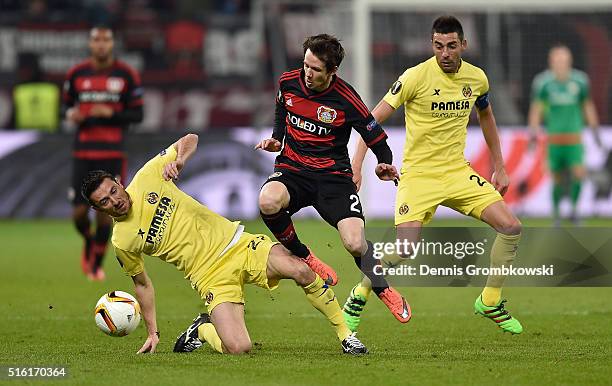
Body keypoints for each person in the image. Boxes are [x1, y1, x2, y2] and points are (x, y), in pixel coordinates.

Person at [81, 133, 368, 355]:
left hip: (238, 245)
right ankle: (203, 330)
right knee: (239, 349)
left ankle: (346, 336)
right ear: (98, 210)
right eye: (104, 201)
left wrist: (179, 159)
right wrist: (153, 332)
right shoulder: (122, 240)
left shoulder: (147, 177)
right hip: (209, 277)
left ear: (119, 182)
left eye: (113, 191)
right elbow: (142, 285)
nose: (115, 200)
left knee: (301, 270)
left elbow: (190, 138)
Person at [345, 16, 523, 334]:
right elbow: (370, 120)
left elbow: (486, 115)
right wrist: (357, 165)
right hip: (419, 176)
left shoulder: (477, 79)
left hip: (457, 172)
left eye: (451, 46)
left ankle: (490, 300)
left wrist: (499, 165)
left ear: (463, 45)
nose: (445, 53)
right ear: (432, 45)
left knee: (511, 226)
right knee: (404, 251)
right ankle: (359, 294)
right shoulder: (414, 77)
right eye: (439, 46)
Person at [255, 34, 410, 324]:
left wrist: (384, 163)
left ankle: (383, 289)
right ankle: (303, 254)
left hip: (333, 178)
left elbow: (375, 136)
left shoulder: (346, 98)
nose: (307, 73)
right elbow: (281, 108)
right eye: (305, 65)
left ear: (332, 72)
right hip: (294, 170)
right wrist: (277, 139)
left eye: (315, 69)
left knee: (354, 243)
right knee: (267, 200)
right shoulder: (288, 81)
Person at [63, 25, 143, 280]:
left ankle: (96, 262)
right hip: (83, 152)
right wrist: (70, 114)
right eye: (96, 40)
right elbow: (63, 107)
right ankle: (88, 240)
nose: (101, 44)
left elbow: (138, 114)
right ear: (90, 44)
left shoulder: (126, 74)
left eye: (105, 40)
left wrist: (112, 114)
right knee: (78, 213)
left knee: (106, 211)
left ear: (112, 44)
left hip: (112, 152)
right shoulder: (76, 74)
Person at [528, 44, 601, 226]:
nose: (560, 63)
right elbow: (536, 109)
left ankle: (575, 211)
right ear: (551, 62)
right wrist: (533, 132)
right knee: (557, 178)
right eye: (557, 59)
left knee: (579, 174)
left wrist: (594, 128)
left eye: (564, 59)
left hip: (574, 139)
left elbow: (587, 105)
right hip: (554, 140)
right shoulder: (543, 83)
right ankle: (557, 215)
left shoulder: (580, 81)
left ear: (570, 61)